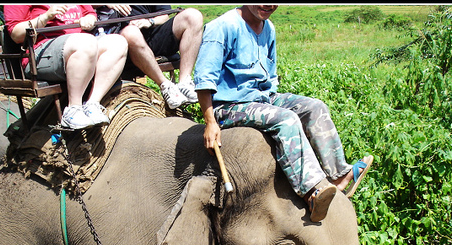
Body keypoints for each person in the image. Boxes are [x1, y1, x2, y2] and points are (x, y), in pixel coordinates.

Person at [194, 5, 373, 222]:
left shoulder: (268, 28)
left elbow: (270, 77)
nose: (268, 5)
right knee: (286, 119)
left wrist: (273, 102)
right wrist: (210, 122)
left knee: (315, 107)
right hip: (230, 105)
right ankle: (311, 191)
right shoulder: (222, 28)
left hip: (262, 98)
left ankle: (338, 176)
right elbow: (204, 79)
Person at [4, 5, 128, 130]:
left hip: (83, 44)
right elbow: (16, 34)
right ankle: (73, 109)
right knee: (85, 42)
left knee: (118, 42)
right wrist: (46, 17)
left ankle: (92, 104)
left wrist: (88, 20)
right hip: (41, 52)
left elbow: (89, 13)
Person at [95, 5, 203, 109]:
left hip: (151, 36)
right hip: (119, 46)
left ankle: (184, 83)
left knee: (193, 16)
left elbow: (164, 15)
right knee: (131, 32)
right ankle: (165, 85)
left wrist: (150, 22)